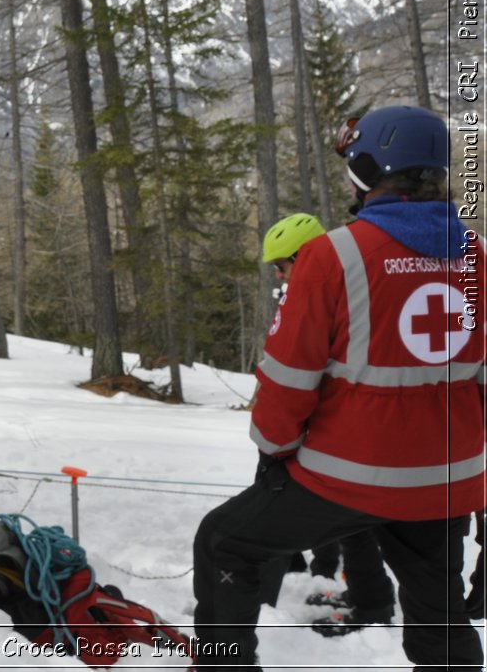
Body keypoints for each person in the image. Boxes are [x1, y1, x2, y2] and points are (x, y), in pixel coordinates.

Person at [192, 105, 485, 670]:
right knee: (439, 611)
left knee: (224, 541)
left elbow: (287, 380)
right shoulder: (479, 257)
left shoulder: (333, 256)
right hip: (445, 482)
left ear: (372, 169)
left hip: (346, 477)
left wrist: (275, 449)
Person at [260, 213, 395, 633]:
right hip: (322, 430)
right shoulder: (325, 288)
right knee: (354, 523)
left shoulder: (335, 291)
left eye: (283, 264)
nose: (279, 274)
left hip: (328, 431)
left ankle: (254, 602)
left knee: (260, 514)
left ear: (305, 256)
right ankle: (368, 599)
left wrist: (275, 436)